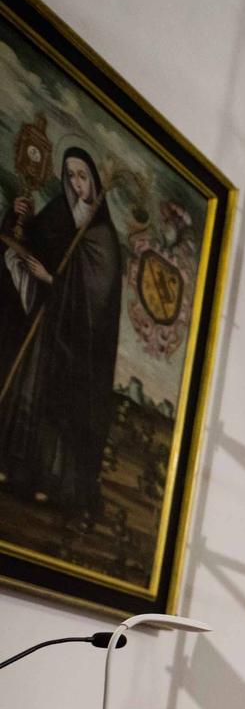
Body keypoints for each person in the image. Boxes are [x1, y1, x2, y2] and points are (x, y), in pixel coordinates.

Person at [0, 147, 123, 514]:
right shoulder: (57, 212)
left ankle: (50, 485)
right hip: (44, 330)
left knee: (56, 410)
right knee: (29, 397)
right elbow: (28, 243)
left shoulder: (101, 234)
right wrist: (17, 218)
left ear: (94, 180)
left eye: (82, 175)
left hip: (73, 346)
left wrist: (52, 279)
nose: (76, 183)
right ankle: (13, 469)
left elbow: (98, 298)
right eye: (70, 175)